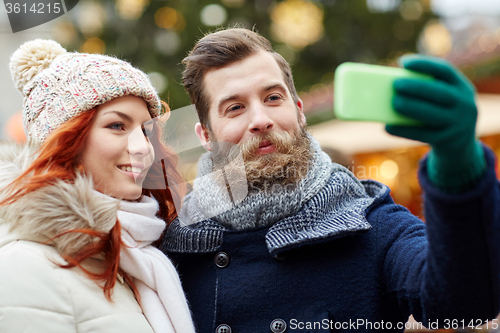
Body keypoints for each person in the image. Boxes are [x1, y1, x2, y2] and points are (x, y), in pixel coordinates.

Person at [160, 28, 500, 332]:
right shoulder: (173, 245)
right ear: (205, 135)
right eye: (234, 108)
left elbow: (466, 304)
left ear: (299, 110)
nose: (261, 120)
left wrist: (458, 163)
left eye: (273, 98)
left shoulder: (371, 224)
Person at [0, 40, 195, 333]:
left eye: (146, 130)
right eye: (117, 126)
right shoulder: (24, 265)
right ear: (65, 140)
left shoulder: (139, 256)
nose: (143, 146)